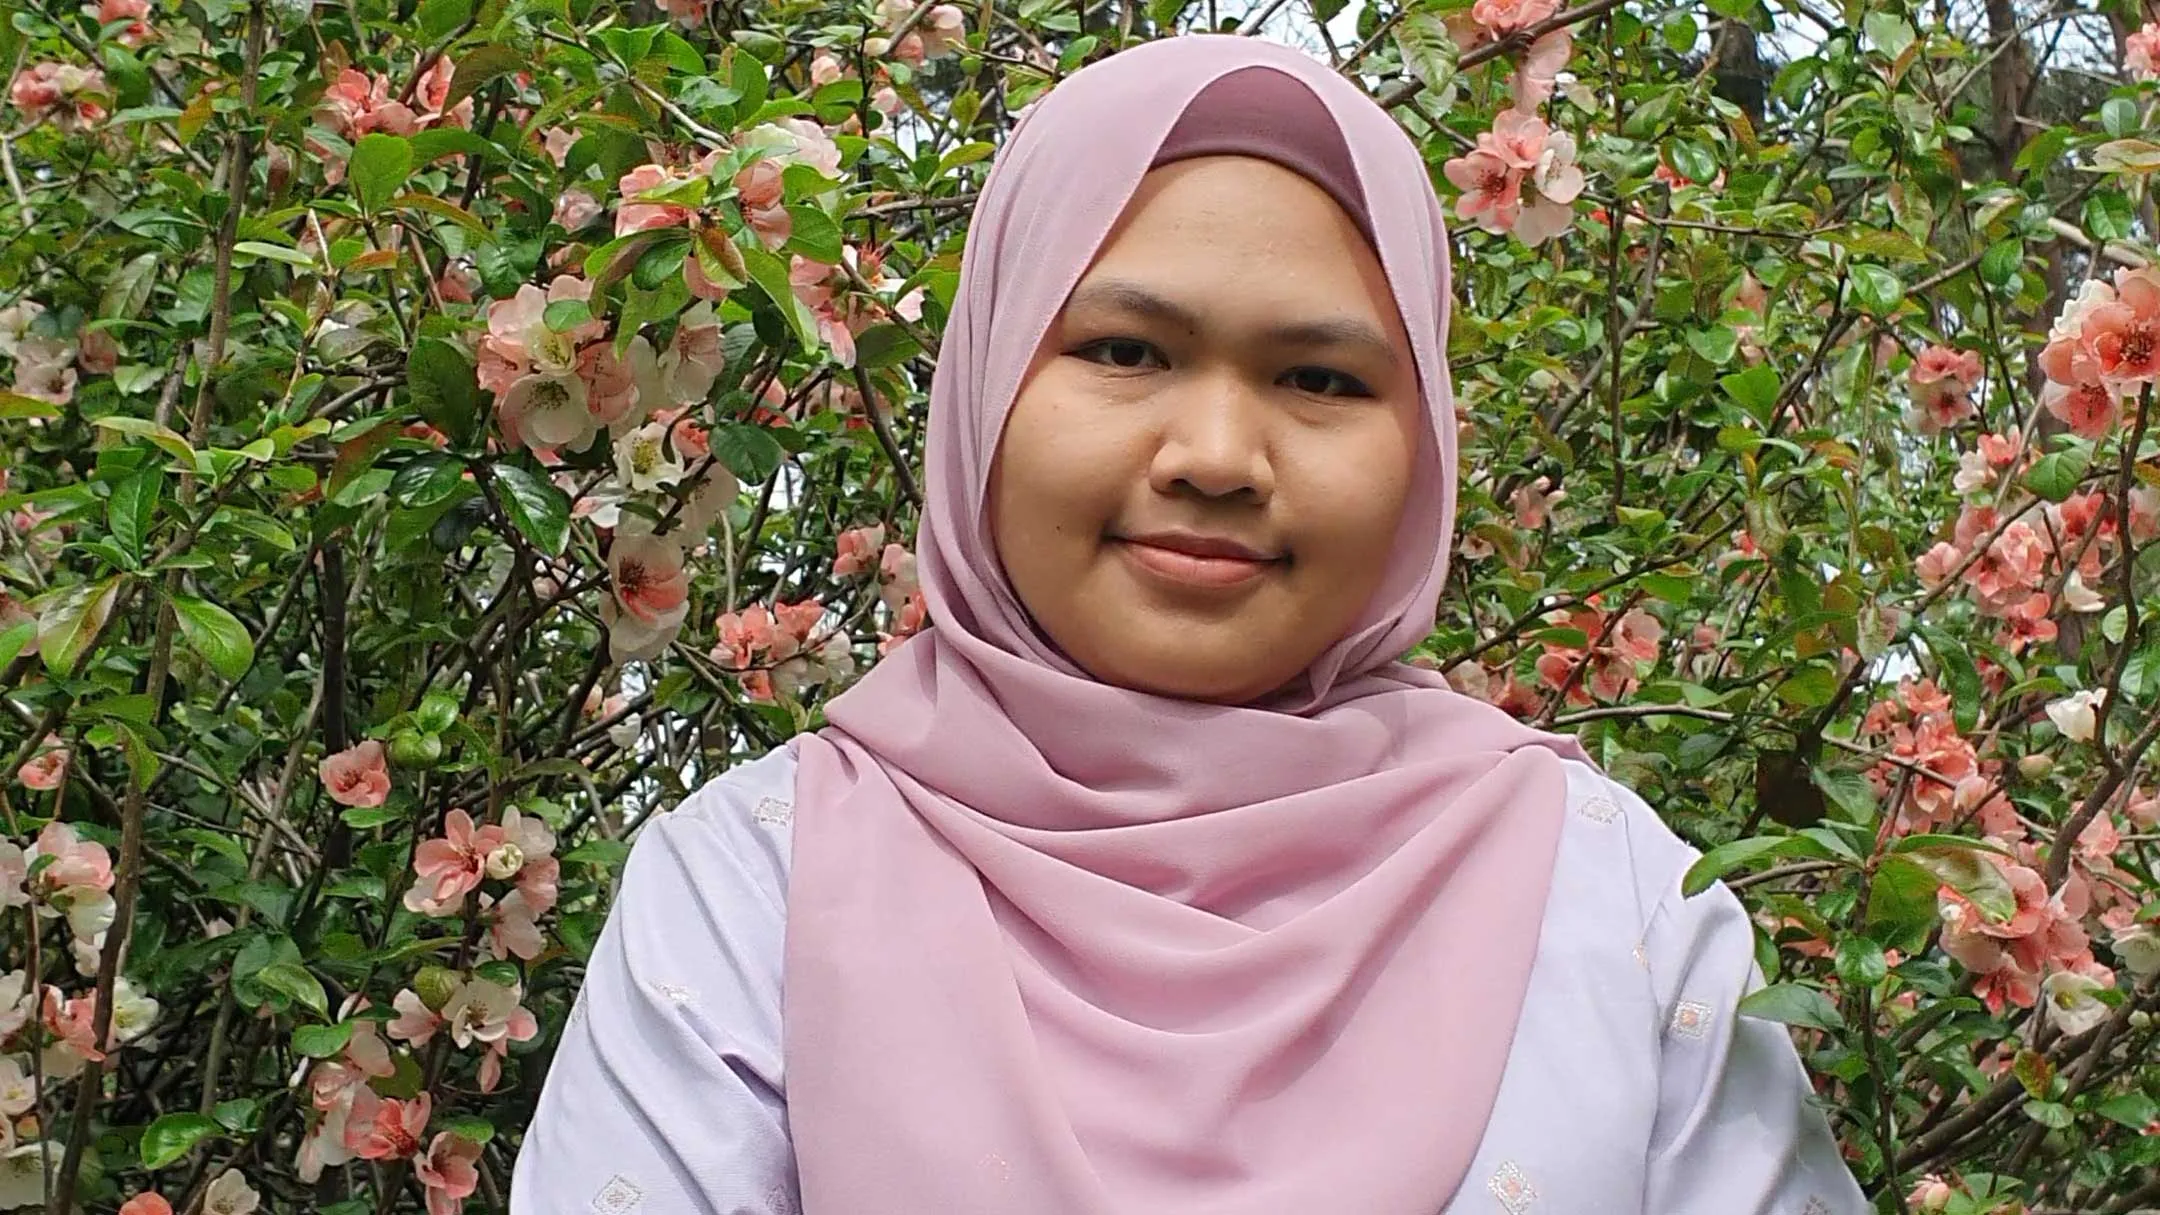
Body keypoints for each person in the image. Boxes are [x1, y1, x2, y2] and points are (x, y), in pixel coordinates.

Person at [511, 34, 1868, 1215]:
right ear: (989, 380)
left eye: (1322, 376)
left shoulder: (1615, 900)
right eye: (1124, 351)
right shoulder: (757, 888)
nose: (1216, 453)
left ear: (1427, 447)